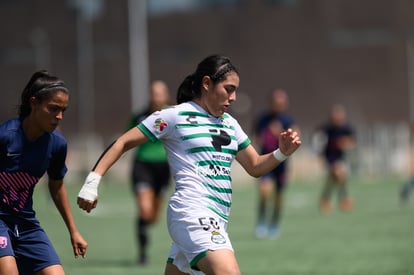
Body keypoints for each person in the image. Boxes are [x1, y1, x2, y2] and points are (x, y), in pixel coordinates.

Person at [77, 54, 301, 275]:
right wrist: (92, 182)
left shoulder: (230, 123)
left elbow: (255, 166)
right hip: (192, 213)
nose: (233, 97)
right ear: (206, 83)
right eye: (229, 89)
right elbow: (123, 142)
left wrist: (282, 153)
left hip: (217, 218)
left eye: (235, 90)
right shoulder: (175, 116)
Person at [0, 70, 88, 275]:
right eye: (53, 109)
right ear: (34, 103)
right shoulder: (5, 136)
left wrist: (73, 231)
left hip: (25, 223)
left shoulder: (57, 144)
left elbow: (56, 187)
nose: (58, 117)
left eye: (63, 111)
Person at [127, 80, 172, 265]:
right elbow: (127, 138)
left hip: (164, 168)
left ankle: (145, 229)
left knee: (153, 217)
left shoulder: (174, 115)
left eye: (160, 93)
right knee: (145, 211)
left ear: (166, 95)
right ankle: (142, 253)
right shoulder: (139, 116)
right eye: (153, 93)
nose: (156, 96)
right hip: (143, 166)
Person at [253, 88, 298, 239]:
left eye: (282, 102)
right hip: (266, 161)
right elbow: (255, 137)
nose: (279, 105)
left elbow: (297, 138)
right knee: (264, 192)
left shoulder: (288, 121)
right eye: (276, 102)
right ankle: (261, 223)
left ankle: (274, 224)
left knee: (279, 196)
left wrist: (282, 133)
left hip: (282, 164)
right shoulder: (262, 119)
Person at [314, 104, 356, 214]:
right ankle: (344, 198)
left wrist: (346, 144)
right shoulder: (326, 129)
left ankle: (325, 198)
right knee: (339, 175)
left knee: (333, 179)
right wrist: (319, 155)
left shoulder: (347, 128)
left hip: (341, 157)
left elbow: (353, 142)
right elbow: (318, 142)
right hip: (329, 158)